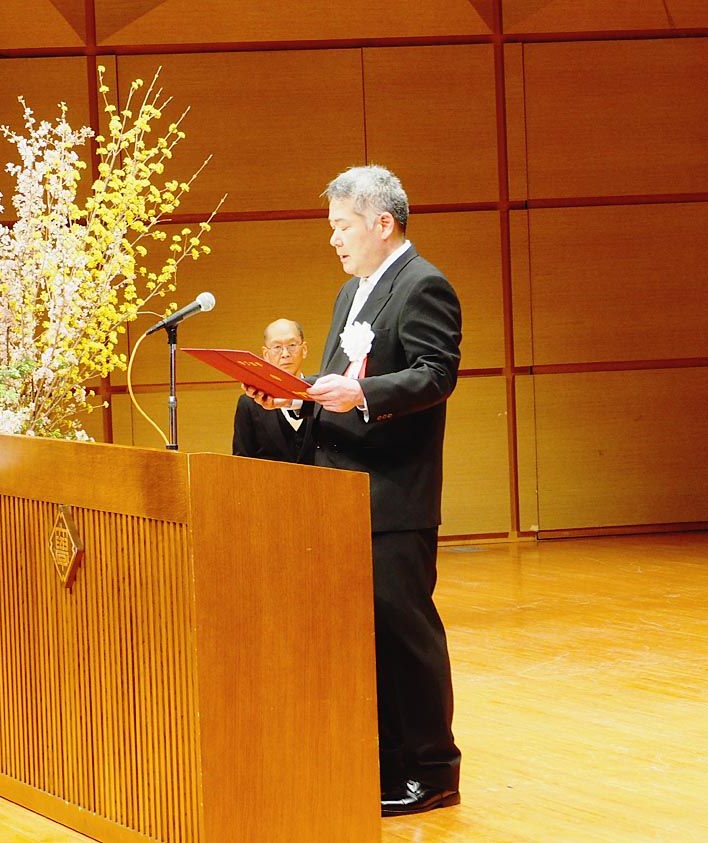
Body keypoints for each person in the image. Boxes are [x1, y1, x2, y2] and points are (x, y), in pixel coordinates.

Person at [248, 165, 463, 816]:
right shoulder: (353, 292)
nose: (334, 239)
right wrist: (292, 395)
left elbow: (436, 374)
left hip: (392, 493)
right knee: (364, 637)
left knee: (406, 634)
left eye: (342, 226)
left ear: (382, 223)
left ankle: (432, 769)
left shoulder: (423, 284)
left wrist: (364, 393)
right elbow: (338, 381)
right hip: (343, 496)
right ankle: (385, 761)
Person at [232, 318, 315, 463]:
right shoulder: (249, 403)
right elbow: (241, 462)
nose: (285, 354)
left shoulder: (320, 395)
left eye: (292, 345)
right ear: (265, 354)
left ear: (304, 349)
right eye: (277, 347)